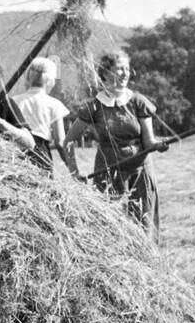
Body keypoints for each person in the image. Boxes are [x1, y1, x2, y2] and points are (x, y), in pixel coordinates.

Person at [63, 48, 166, 239]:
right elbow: (69, 140)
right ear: (105, 73)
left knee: (144, 225)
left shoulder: (138, 102)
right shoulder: (94, 106)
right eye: (120, 68)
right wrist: (74, 172)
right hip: (108, 172)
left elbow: (149, 141)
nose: (125, 73)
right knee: (111, 226)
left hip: (140, 171)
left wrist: (158, 145)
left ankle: (146, 266)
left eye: (127, 68)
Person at [9, 57, 74, 173]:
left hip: (16, 153)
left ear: (29, 76)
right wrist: (72, 169)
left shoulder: (13, 101)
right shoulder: (54, 104)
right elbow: (60, 142)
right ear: (50, 81)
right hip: (40, 154)